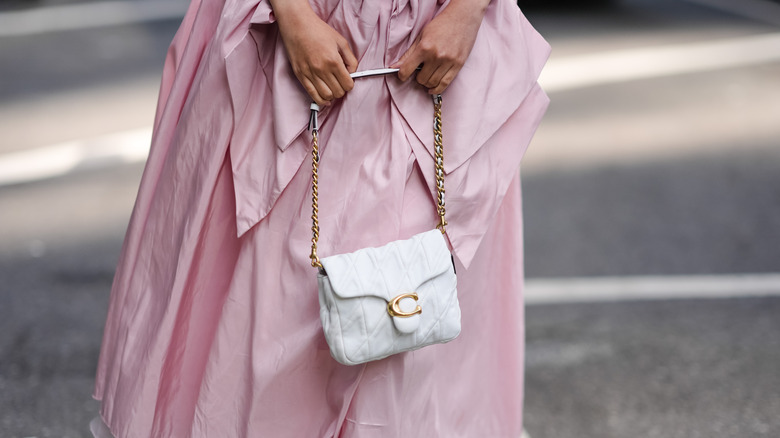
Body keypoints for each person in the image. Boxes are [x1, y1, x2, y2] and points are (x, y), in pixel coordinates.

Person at [90, 0, 550, 436]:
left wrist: (468, 12)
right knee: (265, 312)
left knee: (418, 305)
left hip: (440, 40)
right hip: (299, 29)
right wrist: (292, 16)